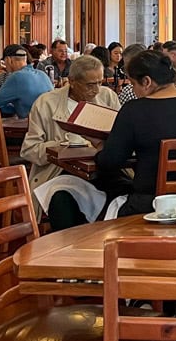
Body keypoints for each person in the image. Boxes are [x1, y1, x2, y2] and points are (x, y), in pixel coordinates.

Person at [95, 51, 176, 217]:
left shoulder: (134, 110)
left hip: (152, 203)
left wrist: (99, 145)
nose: (133, 90)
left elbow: (111, 162)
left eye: (133, 84)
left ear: (146, 81)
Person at [21, 55, 122, 225]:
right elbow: (29, 150)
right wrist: (61, 145)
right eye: (90, 85)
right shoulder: (46, 103)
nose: (96, 90)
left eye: (100, 82)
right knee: (62, 202)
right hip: (60, 172)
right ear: (72, 81)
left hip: (103, 169)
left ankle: (110, 245)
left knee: (128, 193)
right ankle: (66, 248)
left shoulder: (107, 97)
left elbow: (122, 137)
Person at [0, 44, 54, 118]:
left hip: (31, 125)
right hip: (50, 122)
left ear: (8, 59)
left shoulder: (16, 77)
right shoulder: (42, 74)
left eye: (4, 61)